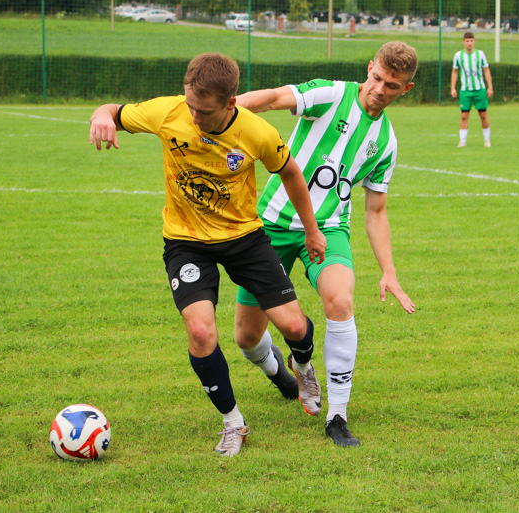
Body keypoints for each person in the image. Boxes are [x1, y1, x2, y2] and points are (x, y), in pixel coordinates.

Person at [87, 52, 327, 457]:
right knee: (200, 331)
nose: (194, 117)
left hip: (244, 238)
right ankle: (233, 422)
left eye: (205, 111)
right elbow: (114, 110)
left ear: (231, 103)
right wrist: (102, 114)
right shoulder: (169, 112)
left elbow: (289, 172)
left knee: (296, 327)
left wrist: (313, 228)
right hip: (185, 241)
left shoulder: (257, 132)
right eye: (191, 107)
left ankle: (303, 368)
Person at [233, 41, 418, 449]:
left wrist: (389, 271)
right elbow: (278, 97)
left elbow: (376, 212)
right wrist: (227, 109)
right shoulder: (332, 94)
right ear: (369, 68)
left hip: (329, 228)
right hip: (271, 225)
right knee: (246, 338)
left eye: (391, 85)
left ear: (404, 89)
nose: (379, 89)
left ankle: (338, 416)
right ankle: (281, 372)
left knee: (340, 301)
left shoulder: (386, 142)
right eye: (376, 78)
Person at [450, 31, 494, 148]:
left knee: (483, 114)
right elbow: (455, 71)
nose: (469, 43)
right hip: (465, 90)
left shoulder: (480, 54)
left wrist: (490, 86)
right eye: (467, 41)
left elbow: (486, 70)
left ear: (474, 42)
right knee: (464, 115)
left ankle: (487, 140)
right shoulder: (458, 56)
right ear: (464, 42)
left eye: (471, 41)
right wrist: (453, 87)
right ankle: (462, 141)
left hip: (480, 89)